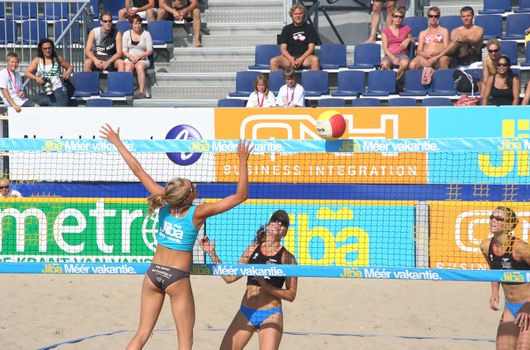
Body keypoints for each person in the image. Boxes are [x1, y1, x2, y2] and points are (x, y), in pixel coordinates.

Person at [99, 124, 252, 350]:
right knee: (185, 341)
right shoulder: (197, 212)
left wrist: (117, 142)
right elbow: (241, 196)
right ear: (188, 197)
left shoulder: (164, 200)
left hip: (153, 274)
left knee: (141, 334)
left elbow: (138, 171)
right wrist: (242, 161)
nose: (196, 185)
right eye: (193, 186)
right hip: (176, 278)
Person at [200, 210, 298, 350]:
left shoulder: (287, 258)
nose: (279, 224)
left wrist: (265, 284)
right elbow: (230, 277)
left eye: (283, 224)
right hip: (246, 311)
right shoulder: (252, 249)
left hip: (271, 314)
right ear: (268, 225)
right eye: (276, 220)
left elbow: (291, 295)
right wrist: (212, 254)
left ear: (285, 232)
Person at [480, 207, 530, 349]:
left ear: (508, 225)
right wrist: (494, 292)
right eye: (492, 217)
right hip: (510, 307)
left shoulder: (520, 248)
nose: (493, 221)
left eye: (499, 219)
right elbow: (494, 270)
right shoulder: (485, 246)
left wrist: (528, 305)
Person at [269, 3, 319, 72]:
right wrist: (291, 59)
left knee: (315, 59)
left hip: (305, 59)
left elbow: (311, 48)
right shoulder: (286, 29)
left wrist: (300, 59)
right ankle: (276, 83)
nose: (298, 16)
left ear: (303, 15)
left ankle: (314, 82)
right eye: (295, 14)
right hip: (289, 59)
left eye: (300, 14)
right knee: (273, 61)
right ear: (292, 16)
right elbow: (283, 49)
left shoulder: (310, 28)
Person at [25, 39, 73, 107]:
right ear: (41, 49)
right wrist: (36, 78)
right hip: (43, 92)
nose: (47, 50)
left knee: (58, 115)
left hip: (57, 92)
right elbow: (27, 72)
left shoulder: (58, 59)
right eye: (45, 48)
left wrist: (67, 73)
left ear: (52, 48)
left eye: (49, 48)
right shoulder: (37, 60)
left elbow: (70, 67)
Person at [122, 14, 153, 99]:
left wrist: (139, 56)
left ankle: (141, 92)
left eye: (139, 23)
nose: (137, 25)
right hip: (130, 57)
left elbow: (149, 50)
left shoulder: (146, 34)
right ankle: (128, 91)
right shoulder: (126, 34)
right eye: (135, 23)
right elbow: (124, 50)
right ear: (131, 24)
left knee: (139, 67)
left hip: (143, 58)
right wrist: (131, 57)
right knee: (128, 67)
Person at [380, 8, 413, 82]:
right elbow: (385, 48)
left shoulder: (406, 28)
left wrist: (408, 39)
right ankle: (391, 82)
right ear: (392, 17)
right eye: (396, 16)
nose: (398, 18)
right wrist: (393, 58)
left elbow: (413, 42)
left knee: (404, 63)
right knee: (384, 65)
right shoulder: (385, 31)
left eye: (400, 17)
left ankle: (395, 81)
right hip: (389, 54)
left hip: (402, 54)